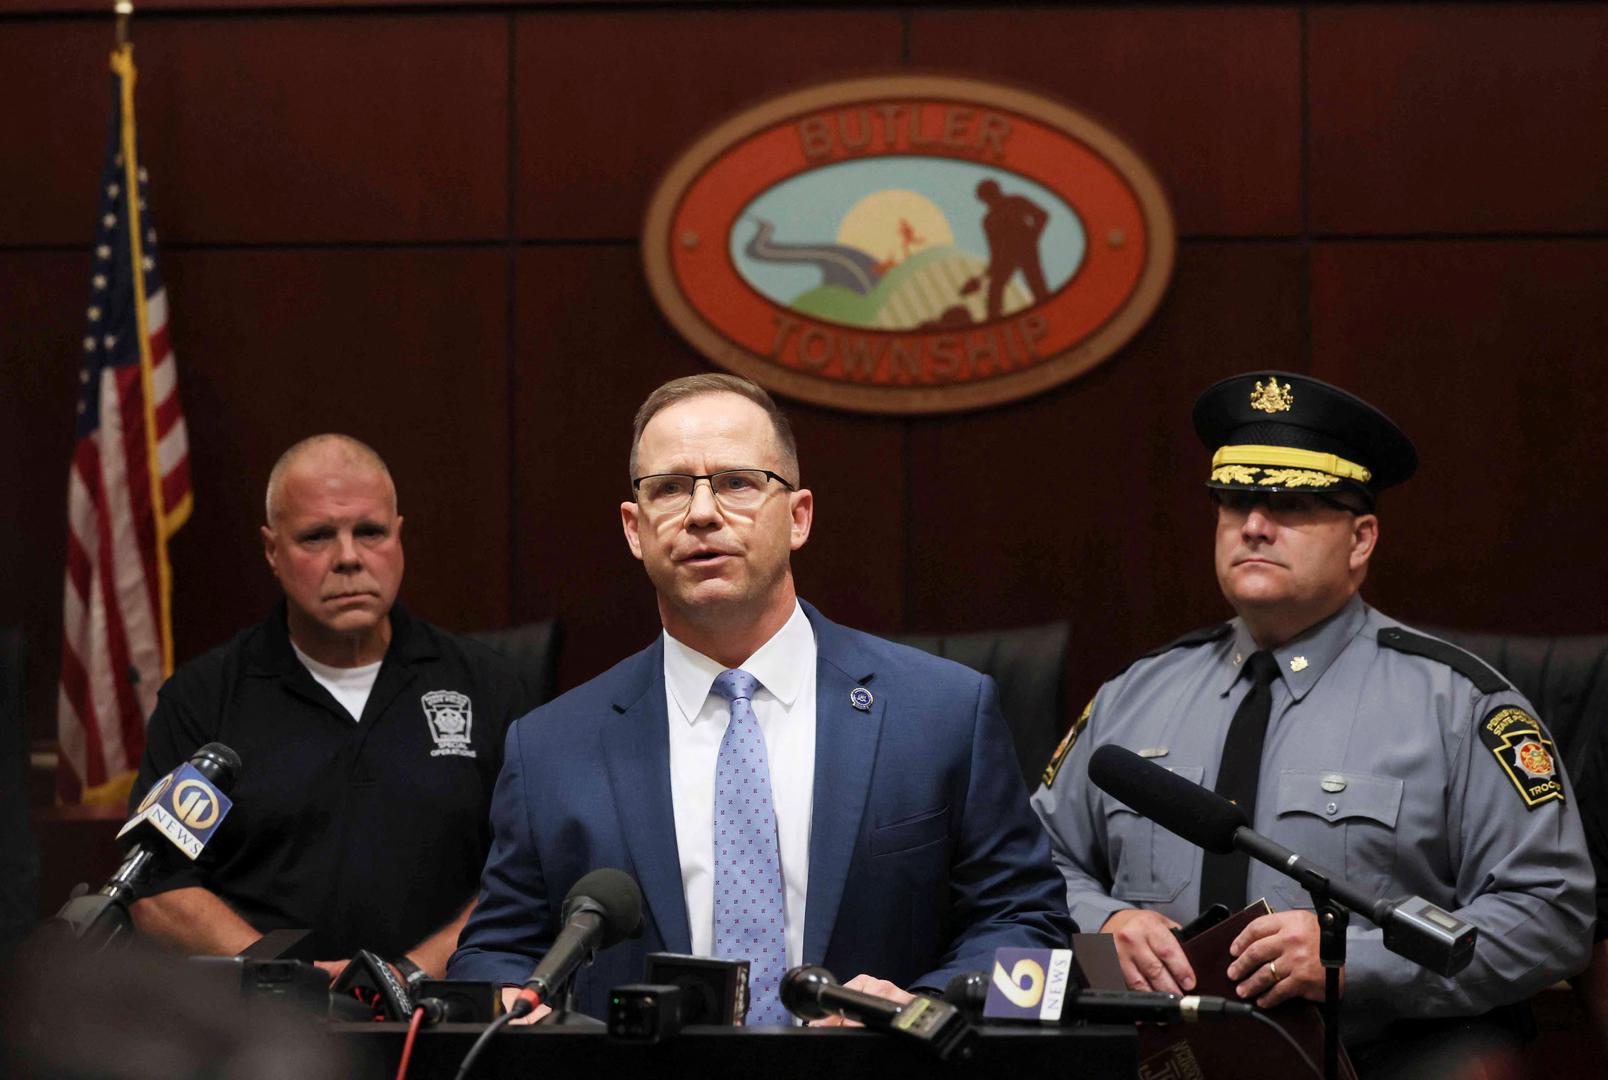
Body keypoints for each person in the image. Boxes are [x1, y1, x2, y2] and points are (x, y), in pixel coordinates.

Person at [448, 373, 1072, 1022]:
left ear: (799, 517)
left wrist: (920, 1010)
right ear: (635, 530)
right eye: (668, 490)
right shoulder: (550, 747)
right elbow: (492, 957)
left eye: (737, 483)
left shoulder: (943, 714)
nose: (701, 513)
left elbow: (1034, 936)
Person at [1031, 372, 1593, 1073]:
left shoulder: (1460, 706)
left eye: (1291, 504)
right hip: (1157, 1058)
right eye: (1234, 501)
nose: (1254, 525)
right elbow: (1029, 865)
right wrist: (1105, 922)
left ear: (1361, 540)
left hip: (1366, 1059)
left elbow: (1551, 913)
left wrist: (1349, 960)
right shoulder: (1133, 694)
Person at [128, 435, 531, 987]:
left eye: (370, 532)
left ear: (399, 538)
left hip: (442, 1020)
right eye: (317, 536)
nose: (348, 558)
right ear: (272, 551)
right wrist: (295, 982)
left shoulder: (489, 687)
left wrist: (407, 978)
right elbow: (157, 889)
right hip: (259, 1033)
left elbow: (524, 873)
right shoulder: (204, 699)